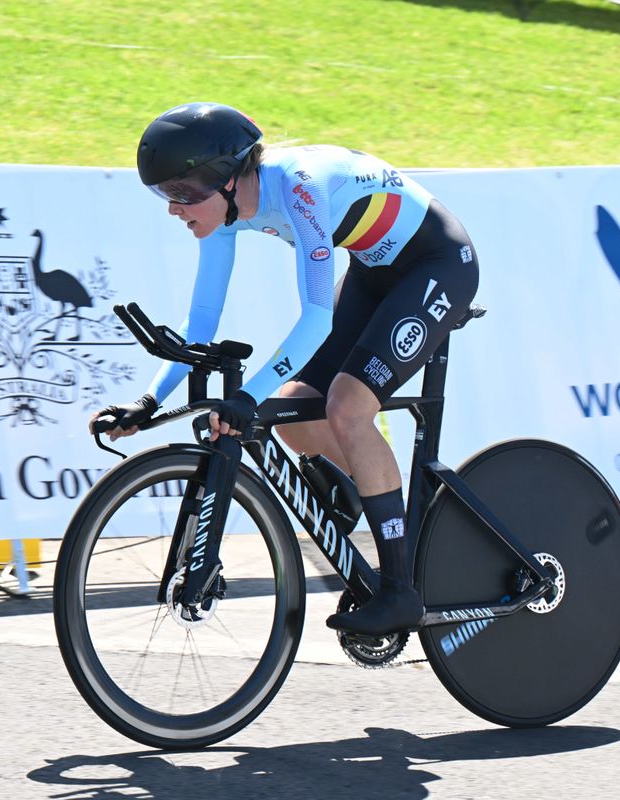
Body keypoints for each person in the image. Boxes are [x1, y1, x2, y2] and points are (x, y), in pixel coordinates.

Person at [91, 102, 479, 636]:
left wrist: (247, 396)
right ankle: (357, 491)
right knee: (293, 411)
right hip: (375, 271)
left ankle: (399, 591)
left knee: (347, 407)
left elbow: (317, 319)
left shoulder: (297, 187)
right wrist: (150, 401)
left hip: (436, 265)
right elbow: (202, 321)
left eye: (180, 194)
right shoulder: (226, 213)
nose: (172, 209)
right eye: (163, 195)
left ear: (226, 181)